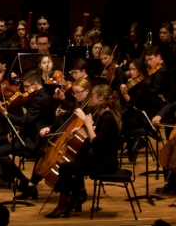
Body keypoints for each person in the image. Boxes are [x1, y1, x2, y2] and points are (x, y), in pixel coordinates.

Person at [45, 84, 121, 218]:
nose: (91, 98)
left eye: (93, 96)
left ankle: (64, 204)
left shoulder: (107, 117)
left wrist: (86, 123)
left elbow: (96, 143)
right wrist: (85, 129)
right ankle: (76, 197)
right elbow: (99, 133)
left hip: (106, 163)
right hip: (101, 159)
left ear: (101, 98)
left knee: (66, 168)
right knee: (74, 162)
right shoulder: (105, 115)